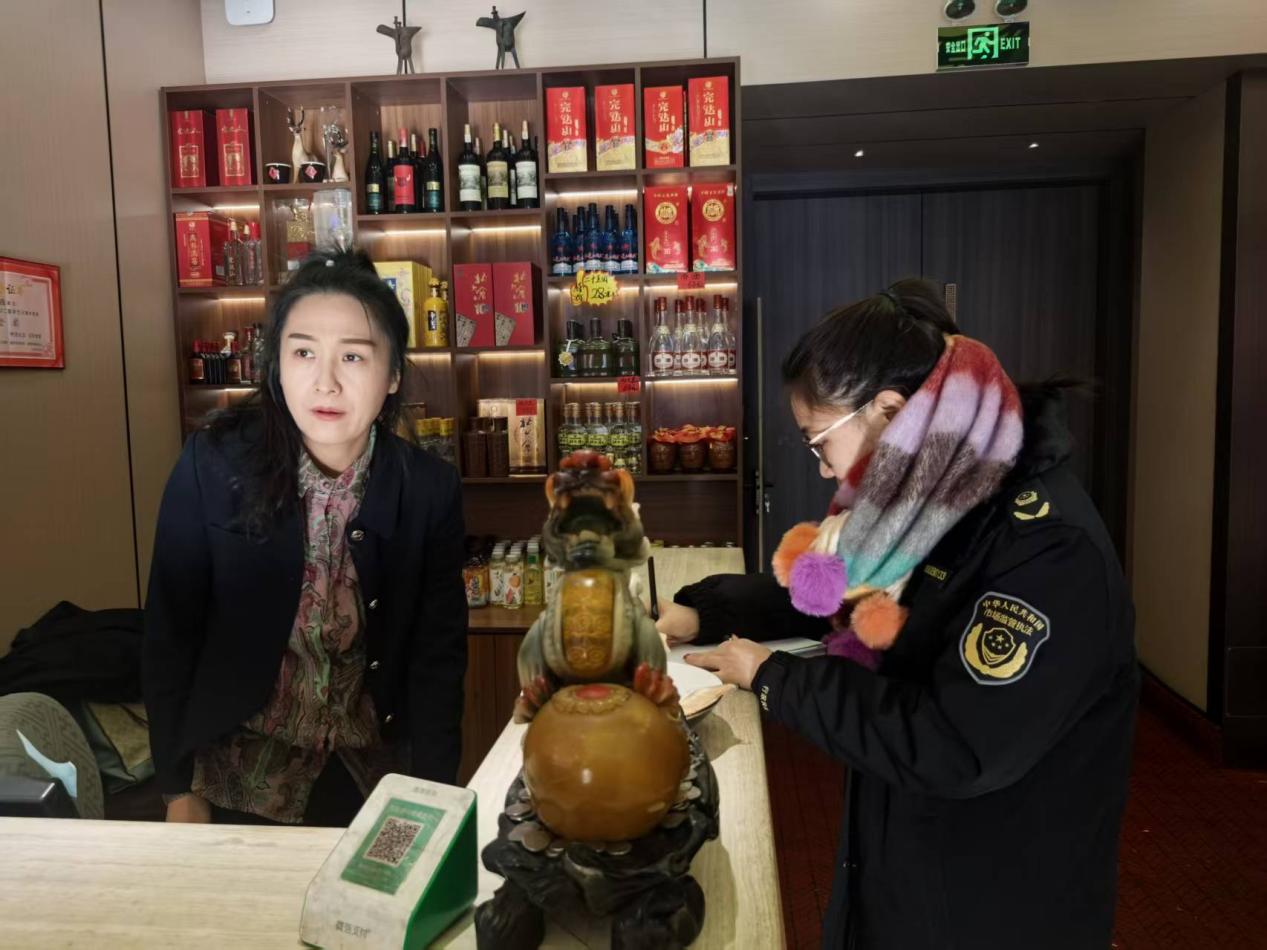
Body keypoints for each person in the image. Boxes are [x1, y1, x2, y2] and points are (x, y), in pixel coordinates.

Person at [665, 280, 1138, 949]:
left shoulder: (1045, 549)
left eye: (817, 442)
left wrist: (775, 678)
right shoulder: (937, 500)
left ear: (888, 412)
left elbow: (956, 744)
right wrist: (705, 613)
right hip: (911, 853)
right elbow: (844, 594)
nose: (824, 471)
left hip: (994, 898)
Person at [144, 249, 467, 826]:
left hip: (372, 775)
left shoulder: (427, 489)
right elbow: (170, 633)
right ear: (277, 366)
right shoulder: (212, 464)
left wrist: (435, 797)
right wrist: (175, 788)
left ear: (393, 375)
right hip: (236, 773)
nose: (325, 382)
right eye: (303, 353)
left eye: (353, 356)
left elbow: (437, 659)